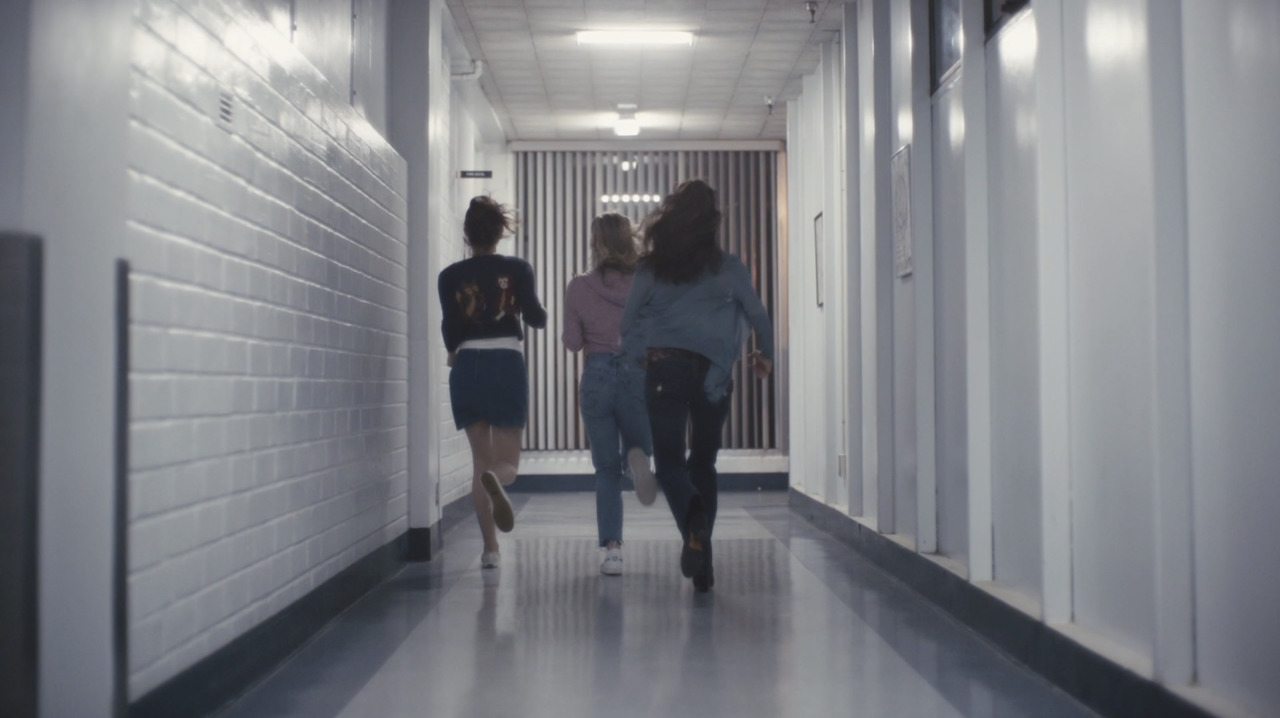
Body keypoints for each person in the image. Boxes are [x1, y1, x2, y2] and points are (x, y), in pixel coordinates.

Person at [620, 179, 774, 592]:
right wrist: (766, 355)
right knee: (703, 462)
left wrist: (637, 358)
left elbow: (629, 321)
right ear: (712, 225)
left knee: (670, 465)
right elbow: (759, 316)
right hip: (713, 375)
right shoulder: (730, 267)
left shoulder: (651, 268)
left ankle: (692, 521)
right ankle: (704, 566)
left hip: (664, 369)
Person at [438, 196, 547, 569]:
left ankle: (490, 551)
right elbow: (536, 318)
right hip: (505, 365)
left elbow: (449, 328)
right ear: (500, 232)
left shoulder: (449, 276)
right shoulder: (517, 268)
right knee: (506, 467)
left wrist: (455, 349)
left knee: (478, 463)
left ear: (467, 235)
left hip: (466, 366)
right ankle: (495, 482)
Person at [562, 213, 658, 576]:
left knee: (604, 469)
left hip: (598, 375)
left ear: (595, 244)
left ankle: (613, 552)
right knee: (639, 448)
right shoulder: (648, 282)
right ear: (629, 240)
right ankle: (638, 463)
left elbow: (572, 343)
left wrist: (591, 331)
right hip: (637, 374)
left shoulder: (579, 286)